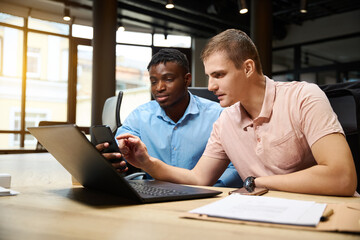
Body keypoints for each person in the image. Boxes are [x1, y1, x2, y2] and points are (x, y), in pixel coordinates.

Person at [115, 29, 357, 196]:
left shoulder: (304, 97)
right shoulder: (225, 121)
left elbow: (342, 178)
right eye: (209, 76)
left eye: (219, 75)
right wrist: (147, 162)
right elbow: (199, 179)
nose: (210, 86)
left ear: (248, 68)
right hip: (264, 214)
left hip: (327, 213)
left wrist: (256, 182)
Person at [113, 48, 242, 187]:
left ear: (187, 79)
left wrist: (209, 189)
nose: (159, 87)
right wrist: (111, 155)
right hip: (155, 195)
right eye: (154, 81)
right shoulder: (140, 116)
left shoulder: (219, 115)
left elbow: (236, 167)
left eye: (168, 79)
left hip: (205, 194)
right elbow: (119, 148)